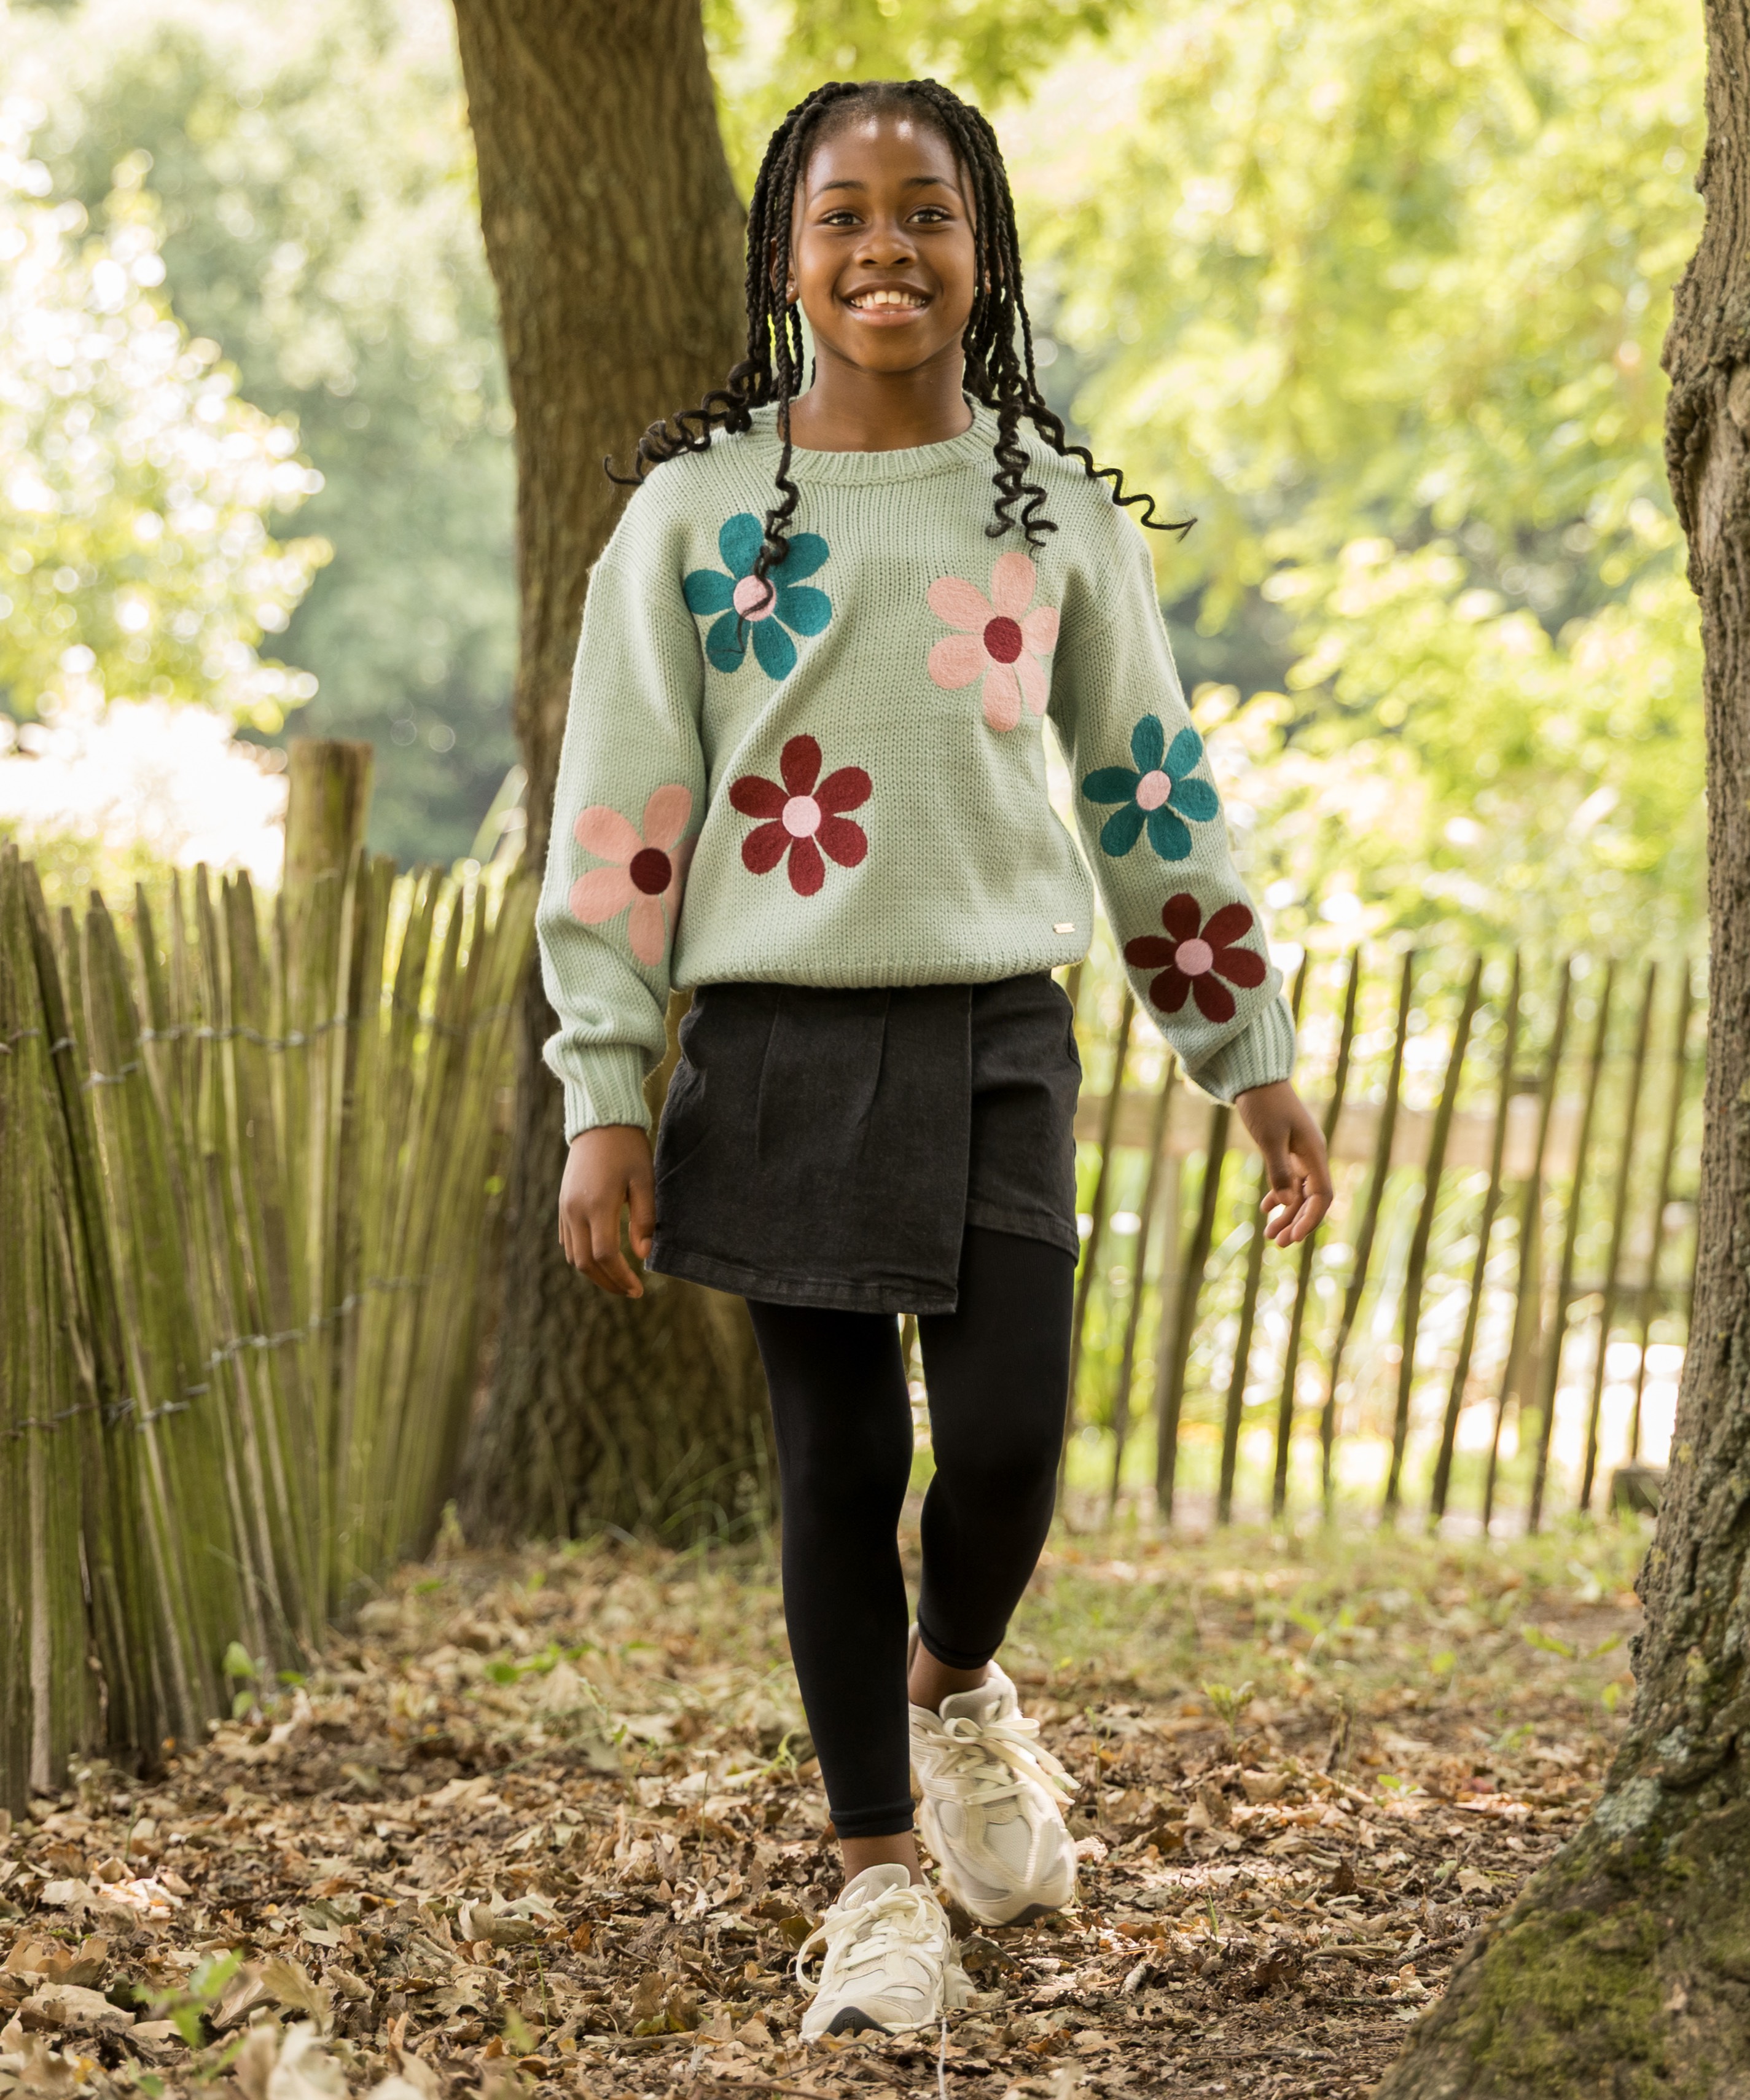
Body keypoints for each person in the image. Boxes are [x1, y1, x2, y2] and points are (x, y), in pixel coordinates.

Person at [539, 77, 1332, 2039]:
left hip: (993, 1028)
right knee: (837, 1464)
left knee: (1004, 1437)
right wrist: (604, 1092)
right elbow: (622, 816)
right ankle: (879, 1880)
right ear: (784, 253)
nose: (884, 247)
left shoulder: (1045, 505)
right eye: (842, 213)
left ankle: (954, 1683)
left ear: (983, 253)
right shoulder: (691, 515)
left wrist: (1243, 1047)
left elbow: (1150, 788)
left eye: (926, 211)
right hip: (775, 1040)